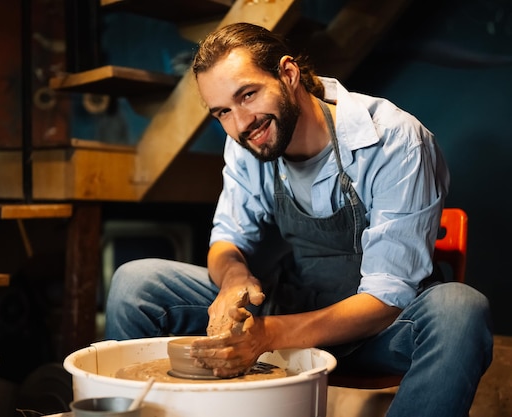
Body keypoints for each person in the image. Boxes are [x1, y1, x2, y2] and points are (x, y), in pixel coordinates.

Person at [104, 22, 493, 416]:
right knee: (136, 282)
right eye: (222, 111)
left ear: (288, 74)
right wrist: (235, 278)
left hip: (380, 333)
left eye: (248, 95)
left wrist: (268, 335)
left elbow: (386, 299)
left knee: (460, 309)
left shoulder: (395, 140)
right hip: (291, 310)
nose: (240, 123)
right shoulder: (248, 139)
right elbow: (227, 240)